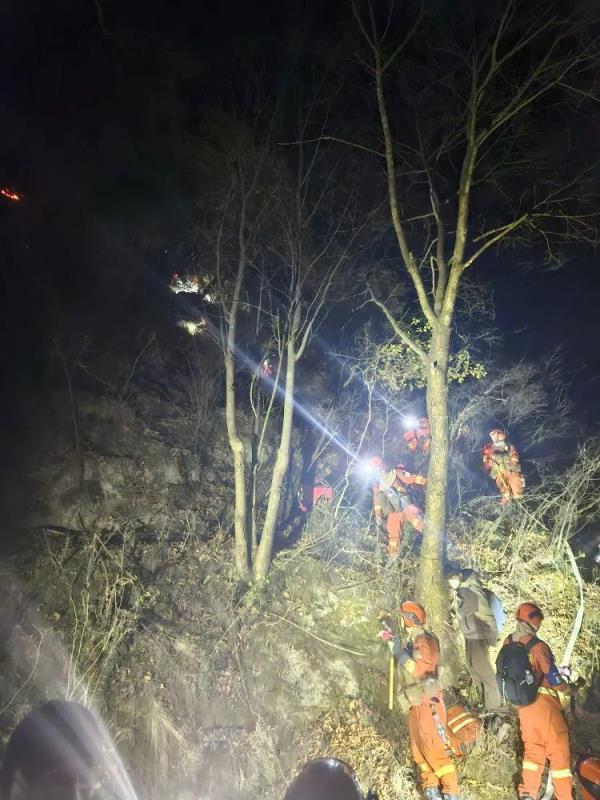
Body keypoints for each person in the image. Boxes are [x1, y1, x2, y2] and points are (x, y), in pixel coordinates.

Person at [379, 601, 460, 800]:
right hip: (415, 701)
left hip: (427, 702)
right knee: (418, 750)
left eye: (402, 617)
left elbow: (416, 668)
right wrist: (393, 641)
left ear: (409, 619)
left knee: (433, 748)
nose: (401, 621)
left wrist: (398, 651)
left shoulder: (425, 641)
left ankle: (451, 792)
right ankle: (431, 788)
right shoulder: (413, 640)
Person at [502, 603, 573, 800]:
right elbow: (553, 678)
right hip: (544, 706)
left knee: (533, 751)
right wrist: (568, 688)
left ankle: (527, 793)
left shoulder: (508, 643)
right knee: (559, 751)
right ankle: (565, 796)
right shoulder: (538, 646)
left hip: (523, 707)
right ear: (534, 620)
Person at [446, 567, 506, 718]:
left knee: (486, 673)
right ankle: (486, 706)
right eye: (450, 581)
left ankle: (497, 710)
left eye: (453, 579)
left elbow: (486, 614)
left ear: (459, 576)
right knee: (474, 671)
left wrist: (493, 638)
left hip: (479, 636)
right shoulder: (460, 590)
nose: (452, 583)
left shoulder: (472, 589)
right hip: (470, 636)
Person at [370, 457, 427, 557]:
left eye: (380, 467)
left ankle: (427, 531)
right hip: (395, 512)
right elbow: (377, 500)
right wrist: (378, 515)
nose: (380, 470)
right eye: (377, 469)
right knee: (393, 524)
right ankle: (393, 555)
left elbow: (411, 478)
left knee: (411, 514)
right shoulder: (377, 484)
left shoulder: (396, 472)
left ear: (384, 465)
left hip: (408, 505)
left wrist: (425, 481)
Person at [482, 429, 524, 503]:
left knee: (518, 491)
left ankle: (520, 501)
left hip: (511, 470)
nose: (496, 436)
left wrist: (514, 462)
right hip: (500, 474)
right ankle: (506, 502)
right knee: (505, 492)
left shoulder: (508, 445)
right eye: (494, 435)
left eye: (498, 434)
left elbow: (514, 453)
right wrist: (490, 462)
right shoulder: (488, 449)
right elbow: (486, 464)